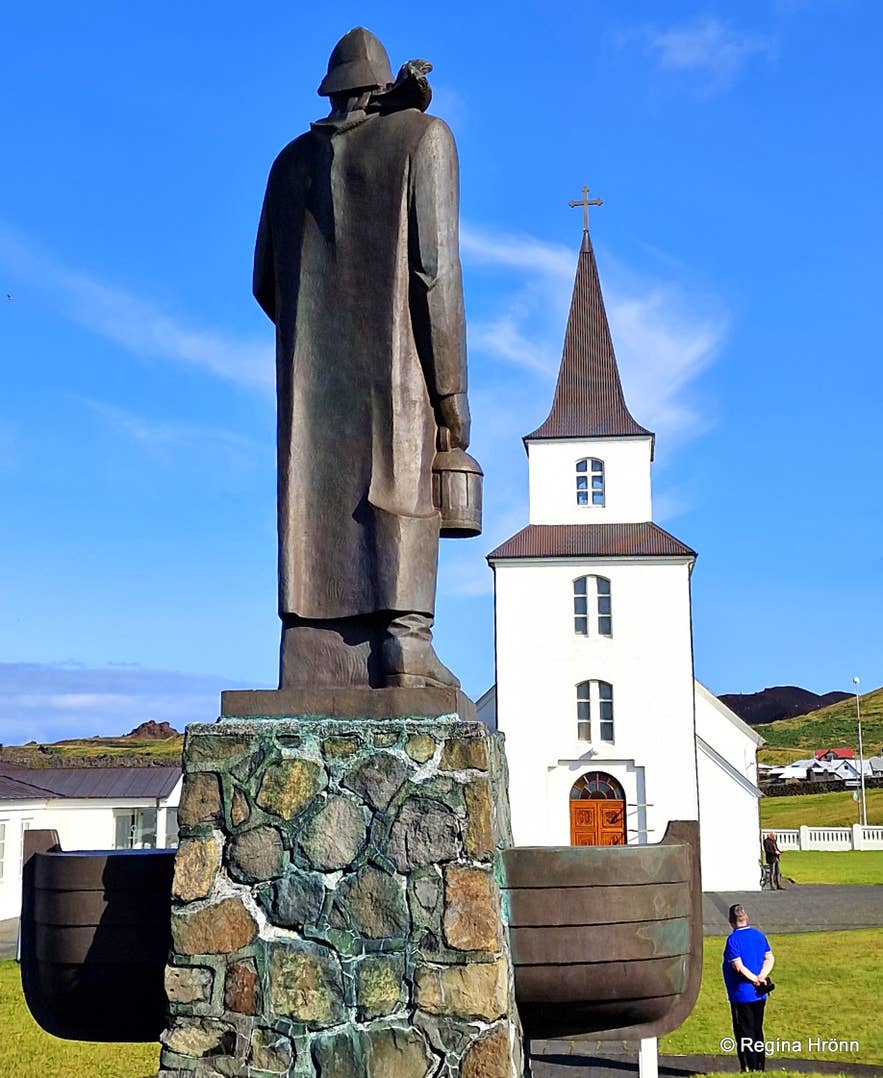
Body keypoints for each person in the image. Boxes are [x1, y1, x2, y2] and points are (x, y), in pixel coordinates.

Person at [253, 28, 471, 689]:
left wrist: (316, 340)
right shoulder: (423, 139)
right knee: (402, 490)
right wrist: (451, 391)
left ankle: (313, 651)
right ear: (381, 89)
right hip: (399, 362)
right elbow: (436, 272)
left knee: (316, 495)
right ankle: (404, 647)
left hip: (312, 381)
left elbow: (265, 283)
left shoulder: (288, 163)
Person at [723, 903, 775, 1073]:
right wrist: (762, 976)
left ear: (731, 920)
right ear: (746, 918)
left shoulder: (733, 940)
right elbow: (769, 958)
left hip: (741, 995)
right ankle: (760, 1066)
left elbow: (738, 966)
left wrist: (754, 979)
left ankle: (748, 1067)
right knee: (757, 1030)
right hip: (759, 995)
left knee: (744, 1033)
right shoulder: (759, 936)